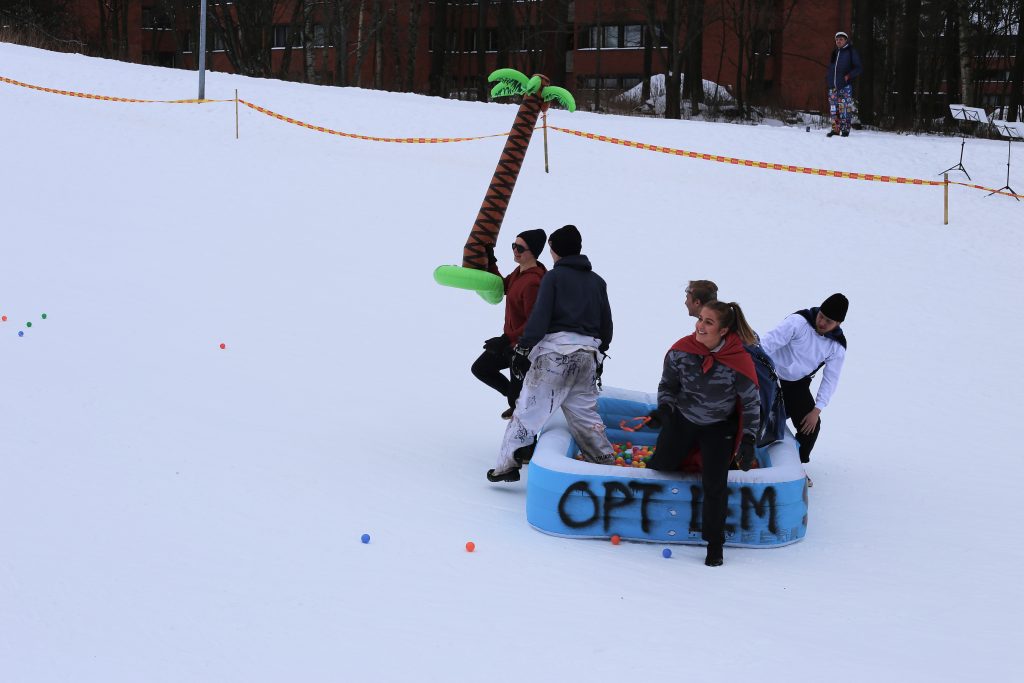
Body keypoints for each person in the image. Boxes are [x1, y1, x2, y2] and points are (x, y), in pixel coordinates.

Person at [487, 225, 615, 483]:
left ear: (554, 250)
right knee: (586, 417)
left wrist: (523, 347)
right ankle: (606, 466)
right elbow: (606, 325)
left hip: (555, 356)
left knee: (527, 412)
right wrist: (601, 351)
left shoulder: (553, 278)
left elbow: (540, 317)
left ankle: (506, 466)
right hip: (587, 356)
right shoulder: (598, 282)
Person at [646, 301, 761, 567]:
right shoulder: (681, 351)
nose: (700, 326)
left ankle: (714, 544)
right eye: (700, 319)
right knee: (661, 465)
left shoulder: (738, 360)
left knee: (715, 484)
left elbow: (752, 404)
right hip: (684, 420)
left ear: (723, 331)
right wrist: (664, 410)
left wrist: (749, 439)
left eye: (709, 322)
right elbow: (668, 386)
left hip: (719, 427)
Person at [758, 294, 848, 467]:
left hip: (796, 384)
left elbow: (831, 379)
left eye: (828, 321)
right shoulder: (798, 322)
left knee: (811, 428)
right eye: (821, 316)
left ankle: (796, 467)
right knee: (757, 415)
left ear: (838, 324)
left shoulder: (837, 347)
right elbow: (768, 343)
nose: (821, 322)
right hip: (768, 375)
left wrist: (817, 410)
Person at [471, 229, 547, 419]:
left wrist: (506, 339)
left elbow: (534, 322)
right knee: (481, 368)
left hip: (523, 350)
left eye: (520, 247)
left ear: (533, 251)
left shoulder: (533, 282)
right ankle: (516, 398)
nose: (515, 250)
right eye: (513, 245)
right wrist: (491, 260)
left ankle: (520, 412)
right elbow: (502, 286)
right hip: (510, 343)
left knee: (519, 403)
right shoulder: (519, 273)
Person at [826, 31, 862, 138]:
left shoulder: (851, 52)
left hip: (844, 86)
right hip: (832, 87)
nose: (838, 41)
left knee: (844, 109)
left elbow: (858, 67)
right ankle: (835, 129)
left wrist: (849, 76)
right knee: (834, 110)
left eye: (841, 39)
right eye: (837, 39)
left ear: (845, 40)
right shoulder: (835, 52)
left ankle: (845, 130)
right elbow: (832, 68)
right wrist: (828, 78)